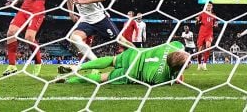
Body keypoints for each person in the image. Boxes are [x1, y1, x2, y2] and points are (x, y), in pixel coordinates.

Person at [64, 0, 133, 61]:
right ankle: (96, 61)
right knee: (74, 38)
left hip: (100, 18)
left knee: (121, 40)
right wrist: (71, 13)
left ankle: (139, 53)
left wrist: (83, 0)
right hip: (86, 21)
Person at [3, 0, 56, 76]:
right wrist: (16, 1)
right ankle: (12, 66)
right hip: (23, 10)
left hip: (36, 12)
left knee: (29, 38)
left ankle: (38, 62)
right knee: (11, 32)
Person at [56, 41, 190, 85]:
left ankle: (77, 66)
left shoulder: (175, 46)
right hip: (130, 73)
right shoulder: (163, 78)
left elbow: (181, 49)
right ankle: (68, 81)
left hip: (133, 55)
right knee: (103, 77)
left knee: (111, 60)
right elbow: (175, 78)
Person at [196, 1, 218, 71]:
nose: (208, 6)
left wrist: (215, 25)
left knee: (208, 47)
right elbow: (196, 23)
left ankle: (204, 64)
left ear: (212, 7)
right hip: (202, 34)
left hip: (209, 34)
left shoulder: (214, 15)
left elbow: (215, 25)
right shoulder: (202, 14)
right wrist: (196, 20)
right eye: (207, 5)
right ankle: (199, 64)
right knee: (199, 51)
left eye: (210, 5)